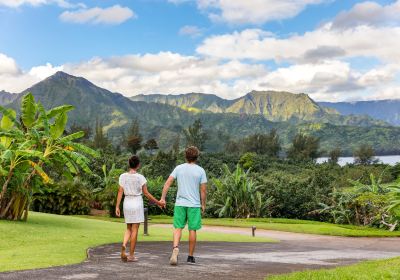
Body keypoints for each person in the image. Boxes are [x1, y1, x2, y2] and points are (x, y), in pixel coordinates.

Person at [160, 146, 207, 265]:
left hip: (180, 204)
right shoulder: (200, 171)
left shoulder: (178, 168)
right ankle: (190, 256)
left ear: (185, 156)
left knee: (178, 228)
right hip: (194, 205)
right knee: (192, 229)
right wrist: (203, 204)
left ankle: (175, 248)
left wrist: (163, 198)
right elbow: (203, 191)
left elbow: (167, 183)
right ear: (197, 157)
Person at [116, 155, 164, 262]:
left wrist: (117, 206)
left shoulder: (122, 176)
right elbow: (146, 193)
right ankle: (131, 255)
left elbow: (120, 192)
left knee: (128, 228)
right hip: (137, 202)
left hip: (127, 202)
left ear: (129, 164)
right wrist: (158, 203)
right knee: (135, 230)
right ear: (138, 165)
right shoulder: (140, 177)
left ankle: (124, 245)